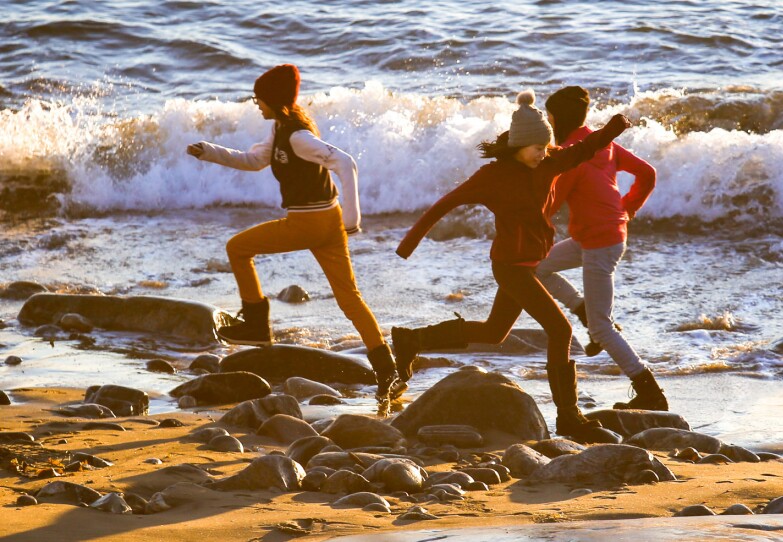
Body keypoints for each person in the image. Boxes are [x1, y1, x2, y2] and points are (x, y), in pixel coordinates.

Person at [393, 89, 631, 441]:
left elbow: (582, 150)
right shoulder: (493, 176)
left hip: (527, 264)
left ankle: (412, 340)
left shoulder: (549, 162)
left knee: (494, 333)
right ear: (520, 145)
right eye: (537, 148)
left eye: (546, 147)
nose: (543, 154)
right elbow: (447, 202)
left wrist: (611, 130)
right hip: (509, 266)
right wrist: (410, 242)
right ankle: (568, 416)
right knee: (561, 331)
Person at [186, 64, 399, 413]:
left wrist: (353, 217)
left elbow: (346, 163)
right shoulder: (280, 129)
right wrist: (210, 152)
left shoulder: (298, 136)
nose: (256, 103)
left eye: (260, 98)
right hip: (325, 222)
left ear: (274, 99)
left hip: (310, 222)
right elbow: (254, 160)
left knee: (237, 248)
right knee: (350, 299)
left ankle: (256, 322)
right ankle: (386, 369)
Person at [537, 85, 667, 411]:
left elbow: (550, 203)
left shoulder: (572, 153)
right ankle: (581, 308)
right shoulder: (602, 143)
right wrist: (628, 208)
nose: (548, 122)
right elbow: (647, 173)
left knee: (601, 328)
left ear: (558, 120)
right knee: (536, 269)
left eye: (549, 116)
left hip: (600, 244)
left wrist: (527, 225)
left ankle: (649, 391)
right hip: (595, 237)